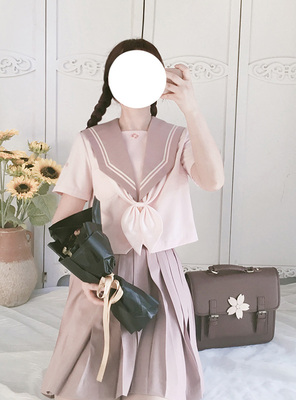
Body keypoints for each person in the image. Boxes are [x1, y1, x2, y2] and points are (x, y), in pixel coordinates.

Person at [41, 38, 224, 400]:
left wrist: (191, 109)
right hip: (105, 271)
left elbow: (213, 180)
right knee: (91, 382)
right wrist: (86, 278)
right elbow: (66, 221)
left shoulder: (178, 138)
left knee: (160, 384)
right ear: (112, 80)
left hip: (161, 274)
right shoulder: (90, 141)